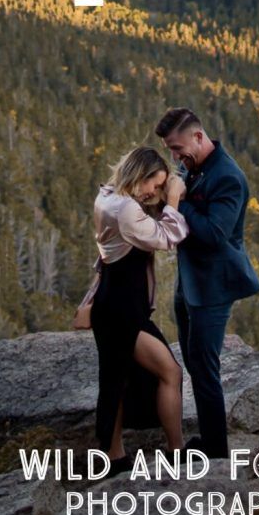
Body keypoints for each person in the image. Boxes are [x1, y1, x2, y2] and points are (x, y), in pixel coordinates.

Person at [155, 108, 259, 459]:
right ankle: (209, 440)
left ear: (199, 137)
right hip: (189, 283)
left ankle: (216, 452)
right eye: (171, 150)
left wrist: (178, 202)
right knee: (195, 364)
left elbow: (215, 234)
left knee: (205, 366)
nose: (175, 157)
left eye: (178, 147)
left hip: (214, 287)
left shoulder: (228, 177)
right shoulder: (192, 166)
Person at [89, 146, 188, 476]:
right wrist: (173, 199)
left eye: (160, 187)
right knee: (170, 373)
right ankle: (175, 451)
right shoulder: (126, 210)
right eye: (154, 184)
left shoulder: (107, 196)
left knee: (116, 378)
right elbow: (167, 236)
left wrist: (162, 193)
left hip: (114, 304)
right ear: (139, 175)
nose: (154, 192)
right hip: (122, 310)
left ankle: (115, 456)